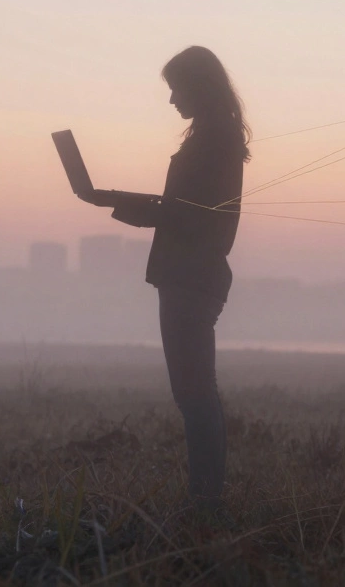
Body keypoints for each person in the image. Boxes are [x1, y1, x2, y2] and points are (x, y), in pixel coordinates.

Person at [101, 45, 249, 506]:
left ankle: (206, 500)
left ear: (197, 87)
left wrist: (121, 204)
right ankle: (205, 497)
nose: (171, 101)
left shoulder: (214, 140)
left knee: (194, 393)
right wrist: (124, 202)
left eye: (175, 90)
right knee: (195, 391)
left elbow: (189, 217)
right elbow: (184, 211)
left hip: (192, 274)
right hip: (189, 274)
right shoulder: (213, 136)